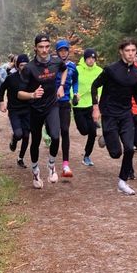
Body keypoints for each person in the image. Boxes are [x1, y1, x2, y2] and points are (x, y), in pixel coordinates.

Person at [91, 38, 137, 195]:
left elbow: (136, 92)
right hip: (109, 113)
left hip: (126, 113)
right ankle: (107, 138)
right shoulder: (111, 70)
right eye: (127, 51)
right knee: (116, 153)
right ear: (121, 51)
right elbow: (95, 86)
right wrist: (95, 107)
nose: (131, 54)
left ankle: (122, 181)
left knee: (129, 148)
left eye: (133, 51)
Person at [18, 34, 67, 189]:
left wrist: (61, 86)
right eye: (41, 47)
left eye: (47, 47)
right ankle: (35, 171)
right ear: (35, 48)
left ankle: (51, 165)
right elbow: (19, 93)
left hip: (52, 106)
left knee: (55, 136)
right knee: (36, 141)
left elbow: (64, 70)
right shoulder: (29, 68)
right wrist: (32, 95)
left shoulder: (56, 61)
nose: (44, 50)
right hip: (35, 109)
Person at [0, 54, 31, 168]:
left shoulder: (31, 78)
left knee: (27, 136)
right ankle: (14, 139)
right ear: (17, 66)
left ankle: (20, 158)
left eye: (26, 65)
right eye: (21, 65)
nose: (24, 67)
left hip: (28, 110)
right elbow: (2, 89)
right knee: (19, 134)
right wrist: (1, 102)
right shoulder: (11, 78)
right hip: (14, 110)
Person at [73, 48, 102, 166]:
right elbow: (71, 83)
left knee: (92, 133)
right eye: (89, 58)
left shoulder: (99, 71)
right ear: (85, 59)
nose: (91, 60)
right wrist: (73, 95)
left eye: (93, 58)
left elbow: (101, 86)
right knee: (84, 131)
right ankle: (92, 125)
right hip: (79, 105)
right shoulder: (77, 69)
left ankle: (87, 156)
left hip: (91, 104)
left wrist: (99, 97)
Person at [55, 40, 79, 178]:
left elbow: (75, 80)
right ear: (57, 51)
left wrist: (75, 93)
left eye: (65, 50)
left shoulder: (72, 67)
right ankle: (52, 160)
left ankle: (65, 164)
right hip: (52, 103)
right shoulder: (52, 65)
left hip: (65, 102)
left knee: (65, 130)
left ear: (68, 52)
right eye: (60, 50)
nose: (63, 53)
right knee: (54, 133)